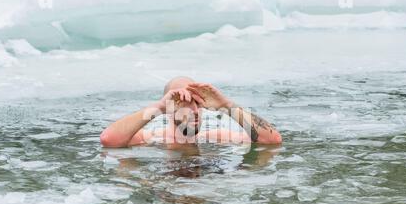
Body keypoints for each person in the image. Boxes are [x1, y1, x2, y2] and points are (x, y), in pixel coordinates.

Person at [100, 77, 282, 148]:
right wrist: (159, 107)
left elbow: (272, 140)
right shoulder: (151, 139)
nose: (195, 111)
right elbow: (109, 140)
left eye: (197, 103)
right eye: (184, 104)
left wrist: (226, 105)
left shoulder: (215, 137)